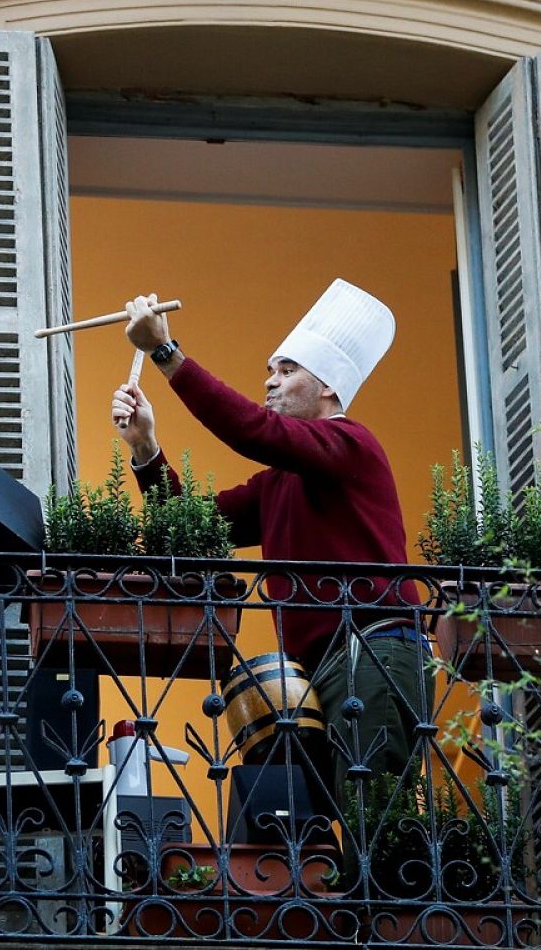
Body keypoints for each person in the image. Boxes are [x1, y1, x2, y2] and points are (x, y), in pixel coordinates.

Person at [109, 281, 435, 862]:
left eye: (286, 371)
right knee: (342, 815)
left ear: (329, 386)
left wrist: (167, 354)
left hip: (374, 650)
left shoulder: (350, 441)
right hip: (327, 664)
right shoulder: (283, 479)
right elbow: (192, 529)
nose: (269, 381)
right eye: (269, 370)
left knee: (373, 818)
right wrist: (145, 449)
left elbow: (251, 432)